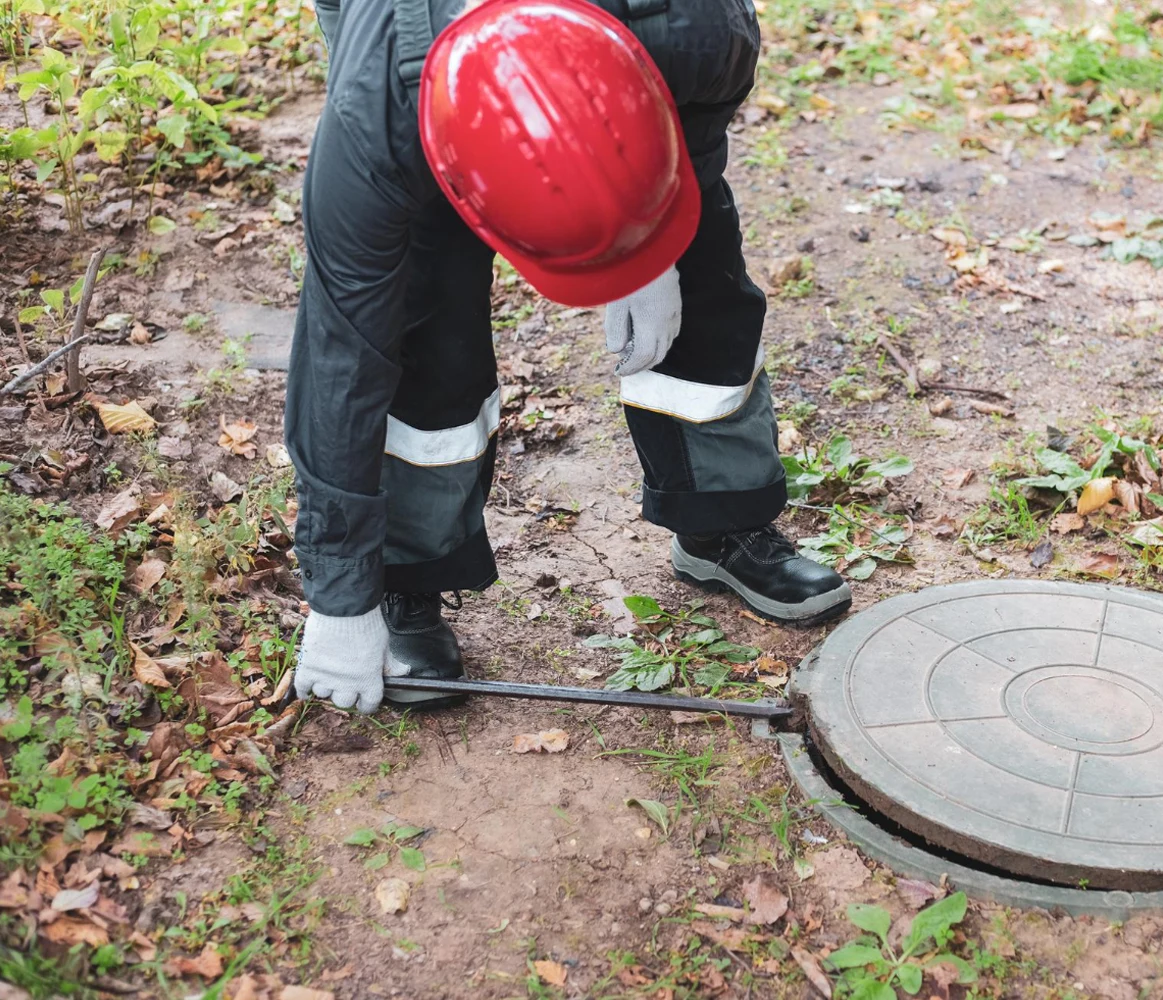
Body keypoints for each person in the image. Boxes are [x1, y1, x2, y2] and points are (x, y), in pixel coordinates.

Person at [287, 0, 852, 714]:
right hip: (418, 62)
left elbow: (699, 131)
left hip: (649, 53)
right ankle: (402, 574)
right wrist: (340, 601)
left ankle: (721, 519)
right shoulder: (381, 119)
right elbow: (344, 355)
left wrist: (649, 231)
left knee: (702, 265)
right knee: (424, 317)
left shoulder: (700, 32)